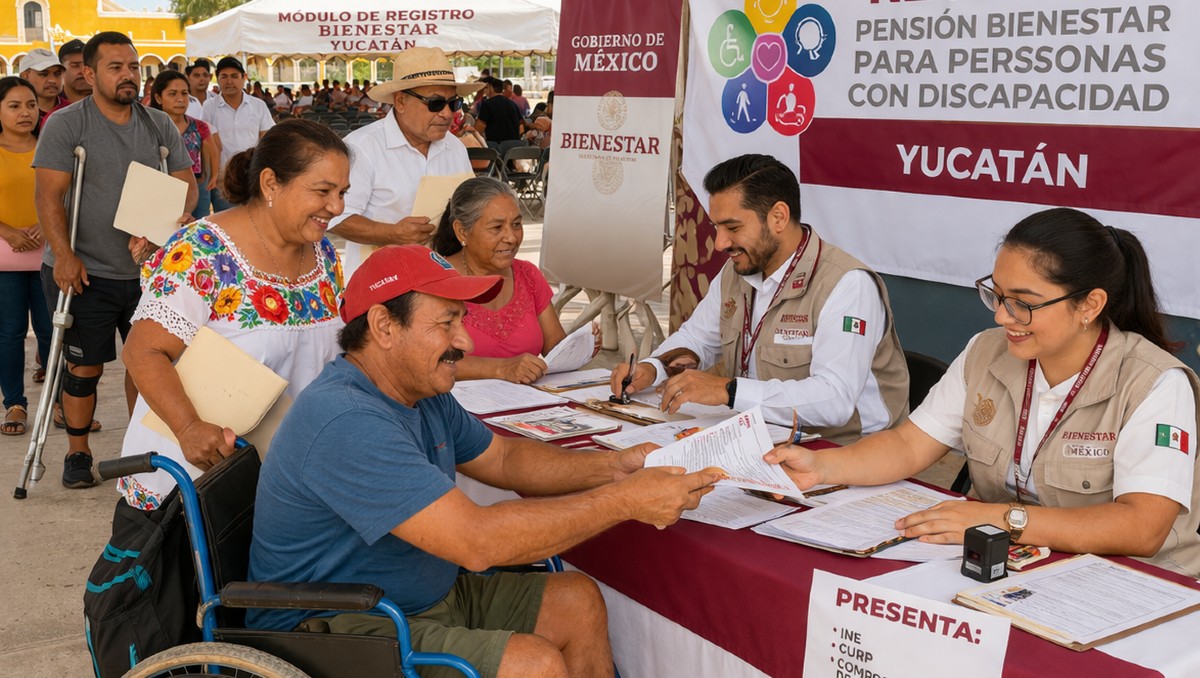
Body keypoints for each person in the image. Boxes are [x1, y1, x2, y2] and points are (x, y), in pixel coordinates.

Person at [247, 243, 719, 677]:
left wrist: (616, 468)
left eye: (461, 320)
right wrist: (622, 500)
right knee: (533, 665)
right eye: (446, 323)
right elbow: (478, 542)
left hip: (415, 595)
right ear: (384, 327)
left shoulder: (417, 389)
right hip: (335, 624)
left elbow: (506, 458)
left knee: (577, 600)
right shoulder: (347, 419)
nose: (466, 343)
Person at [767, 207, 1200, 575]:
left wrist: (1000, 519)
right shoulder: (987, 352)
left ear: (1089, 305)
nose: (1001, 317)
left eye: (1023, 303)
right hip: (1006, 567)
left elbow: (1142, 528)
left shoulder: (1155, 383)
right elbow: (909, 444)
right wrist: (822, 467)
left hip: (1128, 584)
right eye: (996, 294)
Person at [117, 118, 349, 509]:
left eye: (342, 192)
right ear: (271, 183)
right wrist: (189, 427)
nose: (337, 206)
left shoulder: (323, 253)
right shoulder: (202, 250)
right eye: (323, 191)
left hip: (282, 477)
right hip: (192, 480)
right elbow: (143, 352)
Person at [610, 154, 909, 443]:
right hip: (762, 438)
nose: (720, 243)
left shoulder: (846, 284)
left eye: (733, 227)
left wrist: (729, 391)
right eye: (717, 227)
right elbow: (698, 340)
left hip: (847, 453)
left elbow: (835, 399)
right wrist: (653, 368)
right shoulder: (737, 271)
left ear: (778, 217)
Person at [34, 31, 198, 488]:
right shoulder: (67, 124)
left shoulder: (158, 124)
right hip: (84, 269)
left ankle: (138, 448)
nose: (128, 76)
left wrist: (164, 225)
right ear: (87, 73)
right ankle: (78, 452)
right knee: (84, 367)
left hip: (147, 272)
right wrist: (64, 255)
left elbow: (187, 185)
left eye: (133, 67)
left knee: (147, 360)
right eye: (115, 67)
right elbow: (49, 196)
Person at [330, 47, 481, 278]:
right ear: (400, 101)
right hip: (379, 283)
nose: (447, 114)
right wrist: (392, 233)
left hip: (442, 279)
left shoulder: (455, 148)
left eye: (454, 103)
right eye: (435, 103)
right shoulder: (362, 147)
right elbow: (337, 218)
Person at [432, 177, 596, 384]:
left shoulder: (527, 275)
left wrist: (578, 348)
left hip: (523, 404)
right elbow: (426, 359)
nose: (511, 237)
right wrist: (501, 368)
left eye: (517, 224)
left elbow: (554, 344)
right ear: (462, 231)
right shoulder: (436, 280)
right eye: (496, 228)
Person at [0, 77, 50, 436]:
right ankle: (15, 404)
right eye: (14, 106)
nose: (25, 113)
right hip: (4, 259)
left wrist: (48, 227)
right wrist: (8, 232)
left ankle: (59, 403)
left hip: (50, 254)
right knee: (10, 334)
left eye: (30, 105)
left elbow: (67, 194)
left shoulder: (52, 147)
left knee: (52, 332)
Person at [202, 56, 273, 213]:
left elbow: (266, 138)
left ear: (244, 78)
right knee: (227, 226)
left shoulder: (258, 106)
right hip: (223, 182)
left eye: (234, 76)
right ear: (217, 79)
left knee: (256, 221)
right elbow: (207, 143)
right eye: (224, 77)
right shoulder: (209, 107)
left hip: (253, 177)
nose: (229, 82)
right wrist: (216, 174)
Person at [150, 70, 219, 220]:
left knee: (197, 231)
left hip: (197, 186)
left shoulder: (199, 126)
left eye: (185, 93)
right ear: (158, 97)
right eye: (172, 94)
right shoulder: (150, 127)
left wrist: (213, 177)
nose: (180, 99)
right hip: (162, 188)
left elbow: (213, 152)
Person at [476, 77, 524, 156]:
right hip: (514, 149)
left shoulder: (487, 104)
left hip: (496, 148)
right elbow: (522, 125)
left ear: (491, 88)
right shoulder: (513, 104)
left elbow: (478, 130)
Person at [19, 49, 65, 126]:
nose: (52, 80)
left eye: (57, 74)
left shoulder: (73, 111)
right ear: (25, 76)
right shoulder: (14, 113)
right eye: (44, 74)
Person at [56, 39, 91, 107]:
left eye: (88, 65)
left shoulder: (111, 103)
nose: (83, 71)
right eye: (75, 65)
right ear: (61, 70)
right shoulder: (50, 106)